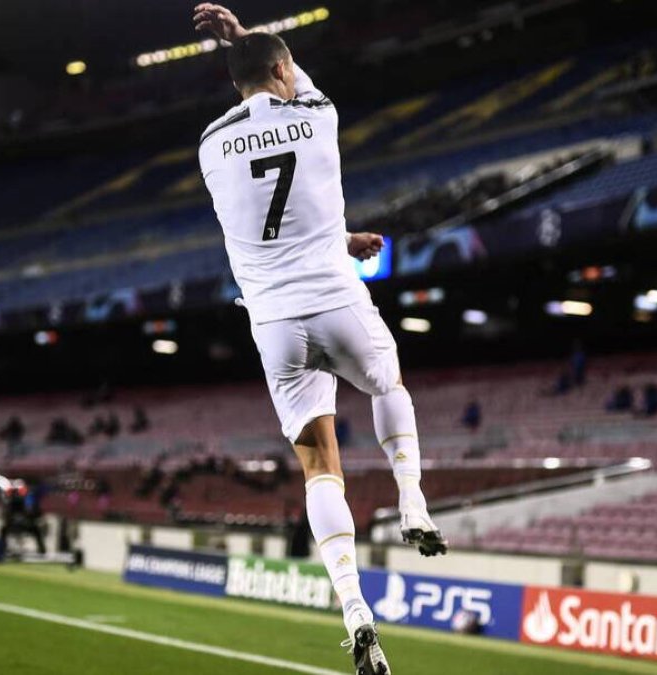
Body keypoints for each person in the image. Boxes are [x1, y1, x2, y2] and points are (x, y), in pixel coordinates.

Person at [194, 5, 442, 671]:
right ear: (282, 70)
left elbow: (267, 216)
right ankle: (411, 498)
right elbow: (296, 145)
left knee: (319, 467)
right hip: (335, 300)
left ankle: (354, 609)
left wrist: (242, 51)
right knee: (388, 383)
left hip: (274, 325)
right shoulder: (318, 114)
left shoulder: (211, 144)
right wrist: (249, 37)